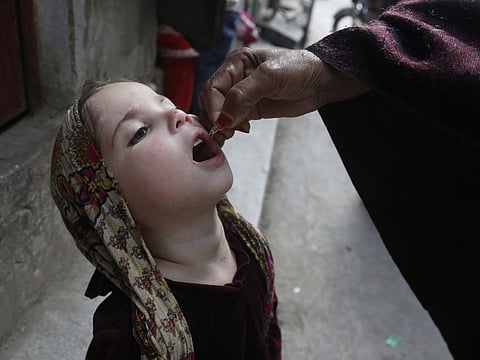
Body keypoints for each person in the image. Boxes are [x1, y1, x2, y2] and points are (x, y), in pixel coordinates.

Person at [198, 0, 480, 359]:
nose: (183, 117)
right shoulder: (129, 335)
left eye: (168, 109)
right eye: (139, 132)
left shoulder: (247, 249)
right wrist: (335, 70)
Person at [49, 80, 281, 360]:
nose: (178, 114)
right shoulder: (136, 339)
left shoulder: (249, 245)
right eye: (140, 132)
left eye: (167, 103)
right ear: (112, 208)